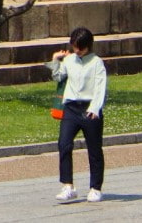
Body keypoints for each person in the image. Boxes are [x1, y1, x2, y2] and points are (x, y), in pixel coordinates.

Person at [49, 26, 107, 203]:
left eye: (80, 47)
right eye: (74, 46)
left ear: (88, 46)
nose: (77, 50)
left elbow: (100, 88)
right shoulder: (70, 60)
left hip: (89, 108)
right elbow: (58, 77)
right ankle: (68, 185)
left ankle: (95, 188)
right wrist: (55, 61)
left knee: (94, 149)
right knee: (64, 144)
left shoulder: (96, 62)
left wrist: (94, 109)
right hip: (71, 108)